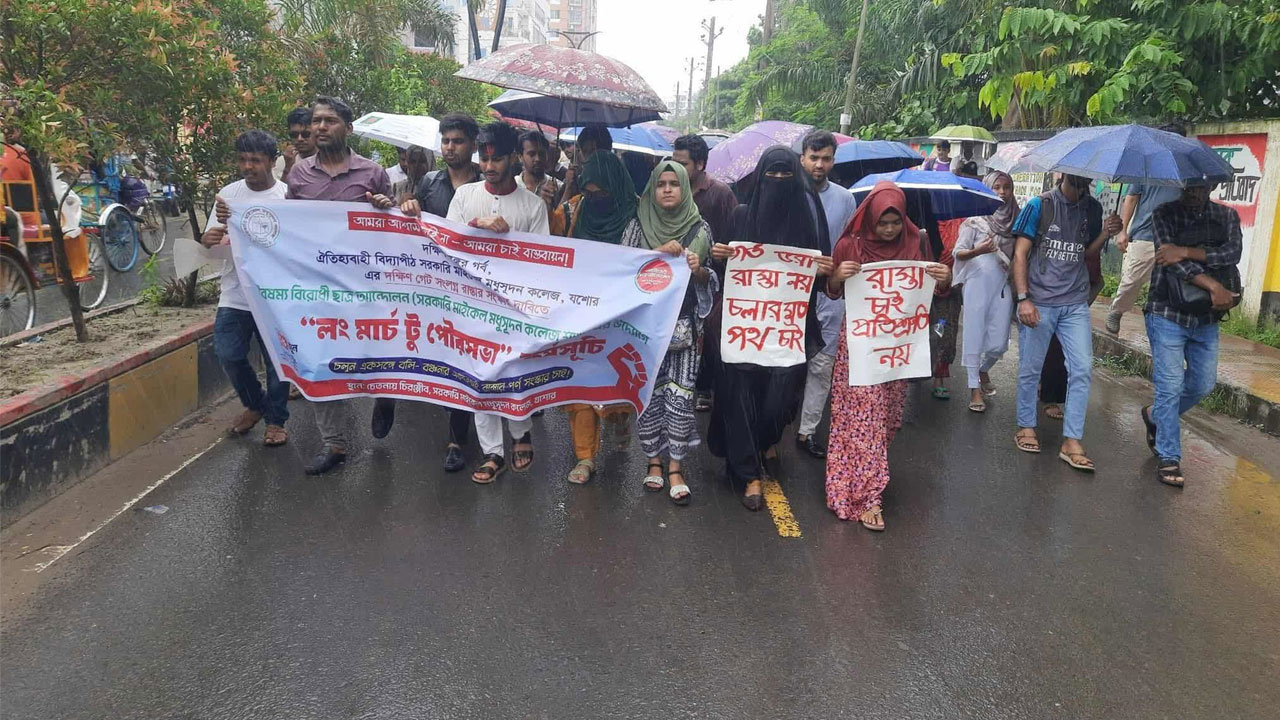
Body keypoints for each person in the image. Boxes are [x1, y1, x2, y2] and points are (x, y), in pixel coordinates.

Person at [706, 146, 831, 511]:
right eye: (771, 174)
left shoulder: (808, 217)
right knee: (740, 396)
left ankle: (765, 441)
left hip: (789, 328)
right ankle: (748, 473)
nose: (778, 181)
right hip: (743, 327)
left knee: (779, 399)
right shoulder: (741, 215)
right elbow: (725, 271)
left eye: (785, 174)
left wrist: (824, 269)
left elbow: (821, 275)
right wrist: (720, 256)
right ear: (760, 178)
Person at [825, 181, 951, 530]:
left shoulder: (916, 242)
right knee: (862, 419)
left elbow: (932, 290)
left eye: (896, 222)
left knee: (887, 418)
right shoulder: (850, 244)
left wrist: (944, 278)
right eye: (883, 222)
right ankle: (869, 498)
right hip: (859, 346)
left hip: (898, 347)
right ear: (870, 219)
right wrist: (837, 276)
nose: (890, 229)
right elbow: (833, 292)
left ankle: (855, 478)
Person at [283, 96, 394, 475]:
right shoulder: (299, 175)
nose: (320, 127)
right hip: (317, 289)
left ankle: (384, 394)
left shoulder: (373, 173)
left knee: (372, 354)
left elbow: (393, 230)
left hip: (365, 289)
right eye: (316, 120)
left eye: (329, 120)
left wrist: (386, 206)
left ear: (348, 128)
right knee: (318, 361)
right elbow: (287, 225)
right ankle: (334, 444)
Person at [443, 122, 550, 483]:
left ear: (514, 158)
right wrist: (477, 224)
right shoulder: (465, 196)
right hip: (472, 304)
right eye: (484, 158)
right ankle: (493, 452)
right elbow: (446, 243)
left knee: (513, 371)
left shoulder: (533, 205)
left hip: (514, 307)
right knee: (479, 375)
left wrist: (511, 239)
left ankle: (520, 432)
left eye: (497, 159)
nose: (489, 166)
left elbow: (541, 261)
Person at [1010, 174, 1121, 470]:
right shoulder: (1039, 206)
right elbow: (1020, 253)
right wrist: (1023, 298)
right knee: (1031, 368)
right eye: (1076, 181)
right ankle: (1026, 426)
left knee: (1082, 368)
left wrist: (1106, 233)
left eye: (1086, 182)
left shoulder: (1093, 209)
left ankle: (1072, 440)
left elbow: (1087, 253)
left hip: (1074, 303)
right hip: (1039, 300)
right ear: (1063, 175)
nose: (1081, 187)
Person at [621, 161, 715, 505]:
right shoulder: (636, 226)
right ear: (652, 189)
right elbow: (622, 273)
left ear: (685, 188)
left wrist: (698, 270)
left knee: (681, 397)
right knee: (649, 395)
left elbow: (711, 279)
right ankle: (653, 461)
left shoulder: (700, 229)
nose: (667, 190)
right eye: (660, 184)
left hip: (686, 328)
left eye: (674, 184)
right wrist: (657, 255)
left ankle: (676, 466)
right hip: (645, 328)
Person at [1142, 180, 1242, 487]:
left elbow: (1232, 253)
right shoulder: (1164, 214)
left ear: (1211, 185)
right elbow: (1171, 264)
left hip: (1206, 317)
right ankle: (1168, 456)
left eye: (1200, 186)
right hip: (1166, 312)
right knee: (1170, 386)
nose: (1194, 192)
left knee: (1202, 384)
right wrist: (1213, 285)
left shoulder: (1226, 216)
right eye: (1189, 186)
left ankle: (1155, 415)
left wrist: (1185, 251)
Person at [396, 113, 481, 470]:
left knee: (463, 358)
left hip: (472, 288)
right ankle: (386, 398)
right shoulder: (429, 183)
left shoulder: (485, 183)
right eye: (445, 141)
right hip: (431, 286)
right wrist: (407, 206)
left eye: (457, 141)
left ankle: (456, 439)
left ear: (473, 145)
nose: (450, 147)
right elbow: (410, 225)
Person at [554, 149, 639, 484]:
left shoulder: (635, 214)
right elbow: (548, 244)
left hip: (621, 313)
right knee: (582, 382)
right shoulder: (573, 210)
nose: (595, 199)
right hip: (579, 313)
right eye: (589, 192)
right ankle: (585, 456)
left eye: (601, 193)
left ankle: (619, 418)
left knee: (616, 378)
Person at [202, 130, 291, 446]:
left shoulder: (288, 196)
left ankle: (276, 421)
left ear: (272, 161)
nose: (248, 166)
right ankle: (256, 403)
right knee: (228, 353)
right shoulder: (228, 195)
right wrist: (209, 239)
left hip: (276, 296)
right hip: (236, 294)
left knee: (277, 360)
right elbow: (211, 245)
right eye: (242, 160)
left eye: (255, 160)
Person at [795, 130, 856, 458]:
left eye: (826, 159)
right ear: (802, 158)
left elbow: (848, 244)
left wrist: (836, 275)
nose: (819, 165)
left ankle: (806, 431)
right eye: (814, 158)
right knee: (789, 362)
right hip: (790, 292)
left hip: (830, 293)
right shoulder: (788, 192)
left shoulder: (845, 199)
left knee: (821, 365)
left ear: (833, 161)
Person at [672, 134, 738, 413]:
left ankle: (704, 388)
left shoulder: (720, 194)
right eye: (674, 162)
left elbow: (735, 235)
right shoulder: (670, 189)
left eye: (683, 163)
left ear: (700, 164)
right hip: (676, 277)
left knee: (709, 333)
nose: (676, 169)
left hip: (713, 277)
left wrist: (723, 253)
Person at [953, 170, 1018, 413]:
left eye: (1006, 187)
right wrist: (977, 251)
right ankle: (974, 388)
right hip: (977, 283)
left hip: (1002, 285)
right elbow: (958, 253)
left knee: (999, 343)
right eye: (996, 187)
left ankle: (983, 369)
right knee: (974, 334)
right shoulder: (975, 219)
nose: (1002, 192)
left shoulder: (1018, 218)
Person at [1106, 184, 1185, 334]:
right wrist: (1123, 231)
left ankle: (1163, 322)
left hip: (1173, 238)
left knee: (1170, 284)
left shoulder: (1184, 176)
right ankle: (1117, 311)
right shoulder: (1144, 172)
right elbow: (1131, 199)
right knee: (1132, 280)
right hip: (1145, 235)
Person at [518, 130, 559, 211]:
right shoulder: (513, 186)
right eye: (532, 154)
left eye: (542, 154)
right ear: (520, 157)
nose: (538, 159)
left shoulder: (556, 187)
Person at [279, 107, 316, 183]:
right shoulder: (282, 162)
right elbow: (279, 190)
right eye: (294, 135)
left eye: (305, 134)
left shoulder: (329, 161)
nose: (299, 139)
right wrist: (288, 168)